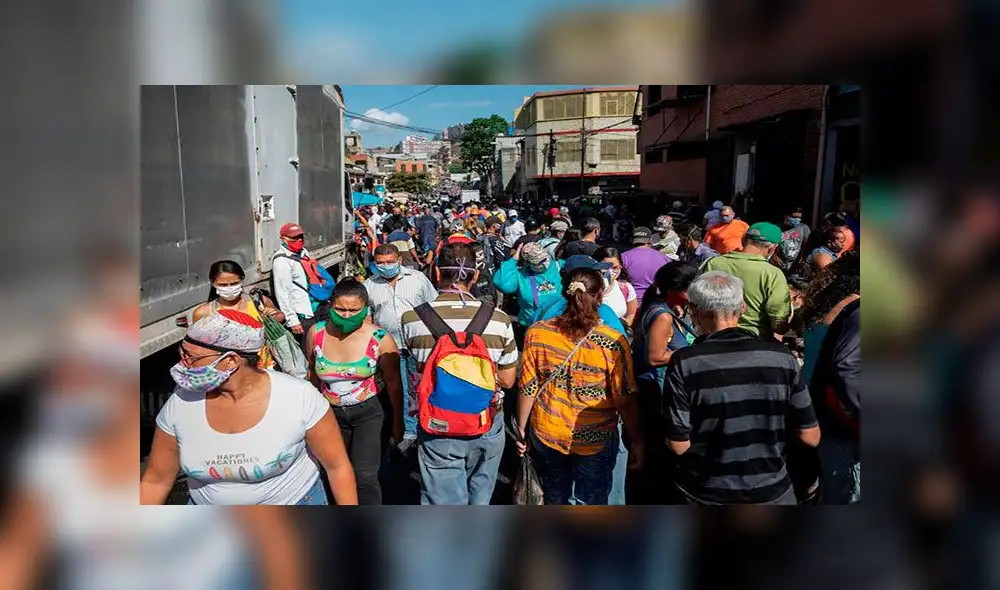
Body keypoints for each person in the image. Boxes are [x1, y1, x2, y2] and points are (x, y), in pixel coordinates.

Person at [141, 309, 358, 505]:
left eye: (191, 357)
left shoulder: (298, 397)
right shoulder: (180, 404)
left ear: (231, 361)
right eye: (182, 353)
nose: (183, 364)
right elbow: (156, 480)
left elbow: (337, 467)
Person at [663, 271, 821, 505]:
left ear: (694, 311)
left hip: (707, 492)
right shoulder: (782, 358)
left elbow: (678, 444)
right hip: (772, 491)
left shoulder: (685, 362)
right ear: (743, 307)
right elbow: (810, 436)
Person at [401, 242, 519, 505]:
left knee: (442, 500)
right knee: (481, 494)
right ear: (475, 275)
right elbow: (509, 380)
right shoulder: (499, 319)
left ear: (436, 273)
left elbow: (417, 367)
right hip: (486, 419)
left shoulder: (412, 319)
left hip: (437, 421)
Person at [514, 267, 643, 505]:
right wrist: (636, 440)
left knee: (554, 494)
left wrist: (521, 430)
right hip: (596, 436)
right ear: (601, 297)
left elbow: (529, 387)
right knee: (590, 500)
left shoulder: (537, 332)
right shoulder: (613, 341)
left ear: (564, 294)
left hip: (547, 430)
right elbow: (623, 398)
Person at [304, 280, 403, 505]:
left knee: (364, 477)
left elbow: (395, 385)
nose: (346, 315)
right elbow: (312, 374)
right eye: (340, 309)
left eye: (353, 310)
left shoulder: (381, 339)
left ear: (366, 309)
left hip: (370, 413)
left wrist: (398, 422)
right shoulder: (316, 333)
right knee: (333, 471)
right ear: (330, 306)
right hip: (329, 415)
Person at [630, 262, 699, 504]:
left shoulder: (664, 309)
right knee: (662, 450)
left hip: (654, 389)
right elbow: (655, 356)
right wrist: (694, 352)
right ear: (677, 289)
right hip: (658, 392)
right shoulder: (662, 317)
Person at [797, 252, 860, 504]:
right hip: (836, 410)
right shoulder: (855, 308)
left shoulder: (824, 303)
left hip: (809, 398)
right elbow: (848, 368)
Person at [363, 244, 439, 443]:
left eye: (390, 262)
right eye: (380, 263)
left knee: (423, 384)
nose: (386, 266)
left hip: (419, 344)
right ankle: (408, 428)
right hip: (390, 347)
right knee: (399, 388)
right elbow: (368, 318)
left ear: (399, 261)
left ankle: (428, 421)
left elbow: (433, 307)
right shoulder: (369, 285)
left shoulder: (418, 279)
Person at [703, 222, 792, 341]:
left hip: (714, 338)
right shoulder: (773, 274)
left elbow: (699, 302)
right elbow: (778, 322)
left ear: (743, 241)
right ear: (772, 247)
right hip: (755, 341)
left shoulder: (713, 263)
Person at [192, 260, 283, 370]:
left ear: (242, 280)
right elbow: (197, 348)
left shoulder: (258, 301)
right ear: (213, 283)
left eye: (234, 283)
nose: (229, 288)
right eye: (223, 285)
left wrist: (273, 316)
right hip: (227, 371)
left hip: (264, 366)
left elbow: (280, 317)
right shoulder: (203, 312)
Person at [271, 223, 333, 347]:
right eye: (294, 238)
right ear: (283, 239)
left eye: (301, 237)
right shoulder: (281, 261)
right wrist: (292, 320)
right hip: (303, 313)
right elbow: (282, 293)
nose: (299, 240)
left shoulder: (303, 252)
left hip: (318, 306)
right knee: (309, 347)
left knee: (324, 343)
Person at [534, 255, 626, 335]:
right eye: (597, 273)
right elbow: (621, 348)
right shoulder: (604, 313)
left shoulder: (547, 306)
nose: (602, 276)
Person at [493, 241, 564, 343]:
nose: (544, 263)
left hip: (558, 328)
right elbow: (503, 285)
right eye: (538, 262)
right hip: (531, 329)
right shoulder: (521, 274)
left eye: (545, 259)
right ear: (528, 263)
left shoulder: (559, 266)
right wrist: (514, 259)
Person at [621, 227, 671, 303]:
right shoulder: (664, 258)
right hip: (656, 304)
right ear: (650, 240)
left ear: (632, 240)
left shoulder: (623, 257)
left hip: (630, 304)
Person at [594, 247, 638, 329]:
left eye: (614, 268)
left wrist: (625, 322)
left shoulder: (625, 288)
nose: (610, 272)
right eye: (605, 268)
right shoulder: (588, 289)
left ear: (620, 266)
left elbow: (631, 313)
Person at [776, 207, 811, 271]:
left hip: (795, 265)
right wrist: (773, 256)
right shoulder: (776, 228)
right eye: (794, 217)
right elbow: (770, 244)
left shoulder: (803, 228)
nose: (797, 220)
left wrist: (802, 258)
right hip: (778, 264)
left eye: (799, 218)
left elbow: (806, 246)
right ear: (785, 216)